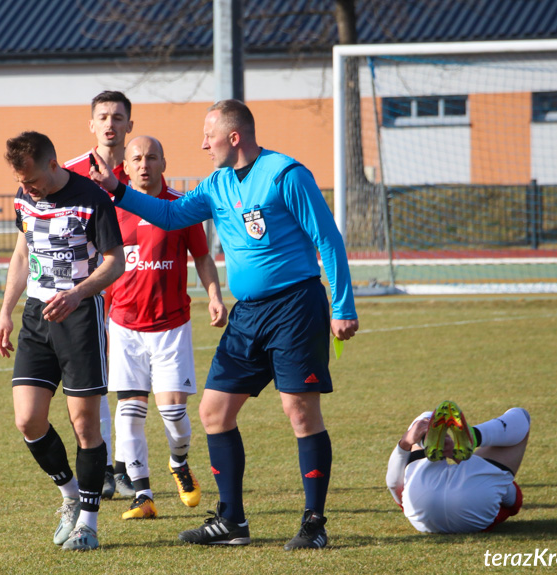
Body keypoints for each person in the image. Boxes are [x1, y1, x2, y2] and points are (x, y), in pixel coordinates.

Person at [89, 99, 359, 550]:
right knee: (214, 412)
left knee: (300, 412)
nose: (202, 144)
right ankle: (232, 522)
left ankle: (314, 523)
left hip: (295, 307)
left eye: (208, 136)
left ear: (233, 137)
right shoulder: (215, 184)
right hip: (248, 313)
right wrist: (118, 189)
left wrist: (343, 306)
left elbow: (327, 238)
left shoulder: (285, 174)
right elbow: (172, 215)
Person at [0, 131, 124, 551]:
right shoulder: (24, 197)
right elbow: (21, 252)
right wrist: (5, 312)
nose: (27, 188)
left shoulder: (92, 199)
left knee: (85, 424)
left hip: (80, 316)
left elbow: (115, 262)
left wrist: (78, 292)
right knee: (28, 420)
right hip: (36, 315)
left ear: (54, 164)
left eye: (32, 180)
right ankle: (70, 496)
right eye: (21, 182)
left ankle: (88, 522)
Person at [108, 135, 227, 521]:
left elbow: (203, 257)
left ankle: (179, 462)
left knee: (173, 415)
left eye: (152, 157)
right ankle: (142, 495)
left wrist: (214, 295)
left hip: (171, 325)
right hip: (124, 325)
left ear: (164, 163)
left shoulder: (180, 207)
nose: (144, 164)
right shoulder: (110, 208)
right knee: (129, 411)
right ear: (125, 166)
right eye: (137, 158)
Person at [63, 90, 134, 499]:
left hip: (131, 293)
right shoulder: (70, 173)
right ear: (91, 124)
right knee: (93, 385)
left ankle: (125, 467)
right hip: (86, 295)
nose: (110, 123)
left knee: (129, 384)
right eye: (103, 116)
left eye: (118, 117)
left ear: (129, 125)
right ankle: (103, 467)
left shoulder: (140, 171)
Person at [386, 400, 530, 533]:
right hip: (473, 507)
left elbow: (393, 484)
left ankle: (425, 438)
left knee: (426, 418)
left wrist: (405, 442)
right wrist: (455, 455)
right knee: (521, 415)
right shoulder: (496, 495)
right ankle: (474, 436)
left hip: (421, 508)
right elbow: (512, 501)